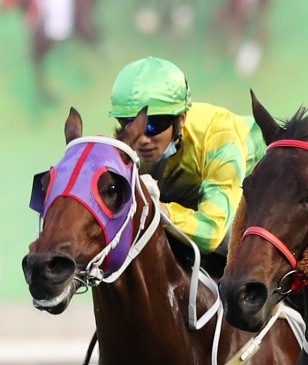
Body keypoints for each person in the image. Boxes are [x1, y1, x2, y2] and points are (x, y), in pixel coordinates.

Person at [108, 56, 266, 258]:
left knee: (235, 245)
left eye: (152, 125)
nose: (142, 139)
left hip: (260, 196)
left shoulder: (221, 139)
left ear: (180, 119)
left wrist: (159, 209)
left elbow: (212, 233)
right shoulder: (125, 145)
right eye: (130, 124)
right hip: (198, 196)